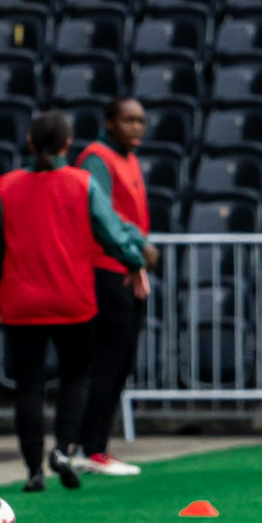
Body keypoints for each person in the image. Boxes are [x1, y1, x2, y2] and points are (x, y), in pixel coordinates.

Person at [0, 111, 148, 493]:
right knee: (75, 378)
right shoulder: (82, 184)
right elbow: (112, 236)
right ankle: (63, 450)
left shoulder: (7, 187)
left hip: (21, 302)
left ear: (30, 143)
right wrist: (136, 261)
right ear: (68, 145)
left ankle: (33, 470)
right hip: (72, 299)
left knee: (29, 387)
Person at [73, 96, 160, 477]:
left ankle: (97, 447)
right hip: (105, 270)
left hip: (126, 269)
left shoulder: (128, 158)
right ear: (109, 122)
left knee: (120, 363)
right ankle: (87, 448)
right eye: (128, 120)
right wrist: (137, 246)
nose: (137, 127)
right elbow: (100, 213)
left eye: (140, 120)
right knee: (105, 363)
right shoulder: (97, 159)